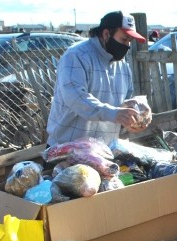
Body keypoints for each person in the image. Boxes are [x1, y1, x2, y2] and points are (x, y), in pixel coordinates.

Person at [46, 11, 148, 146]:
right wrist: (115, 114)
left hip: (104, 151)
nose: (127, 46)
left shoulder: (122, 65)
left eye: (130, 41)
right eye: (124, 39)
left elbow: (124, 102)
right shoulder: (77, 55)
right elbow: (75, 97)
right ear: (106, 34)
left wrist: (136, 111)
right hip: (67, 150)